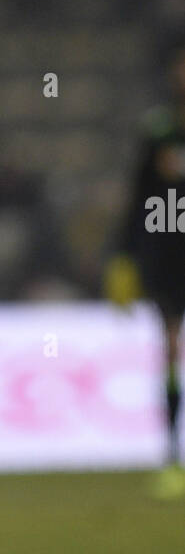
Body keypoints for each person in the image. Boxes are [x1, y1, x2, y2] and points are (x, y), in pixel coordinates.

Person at [106, 36, 185, 498]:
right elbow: (139, 198)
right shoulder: (157, 131)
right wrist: (124, 256)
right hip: (169, 255)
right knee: (170, 347)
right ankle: (172, 456)